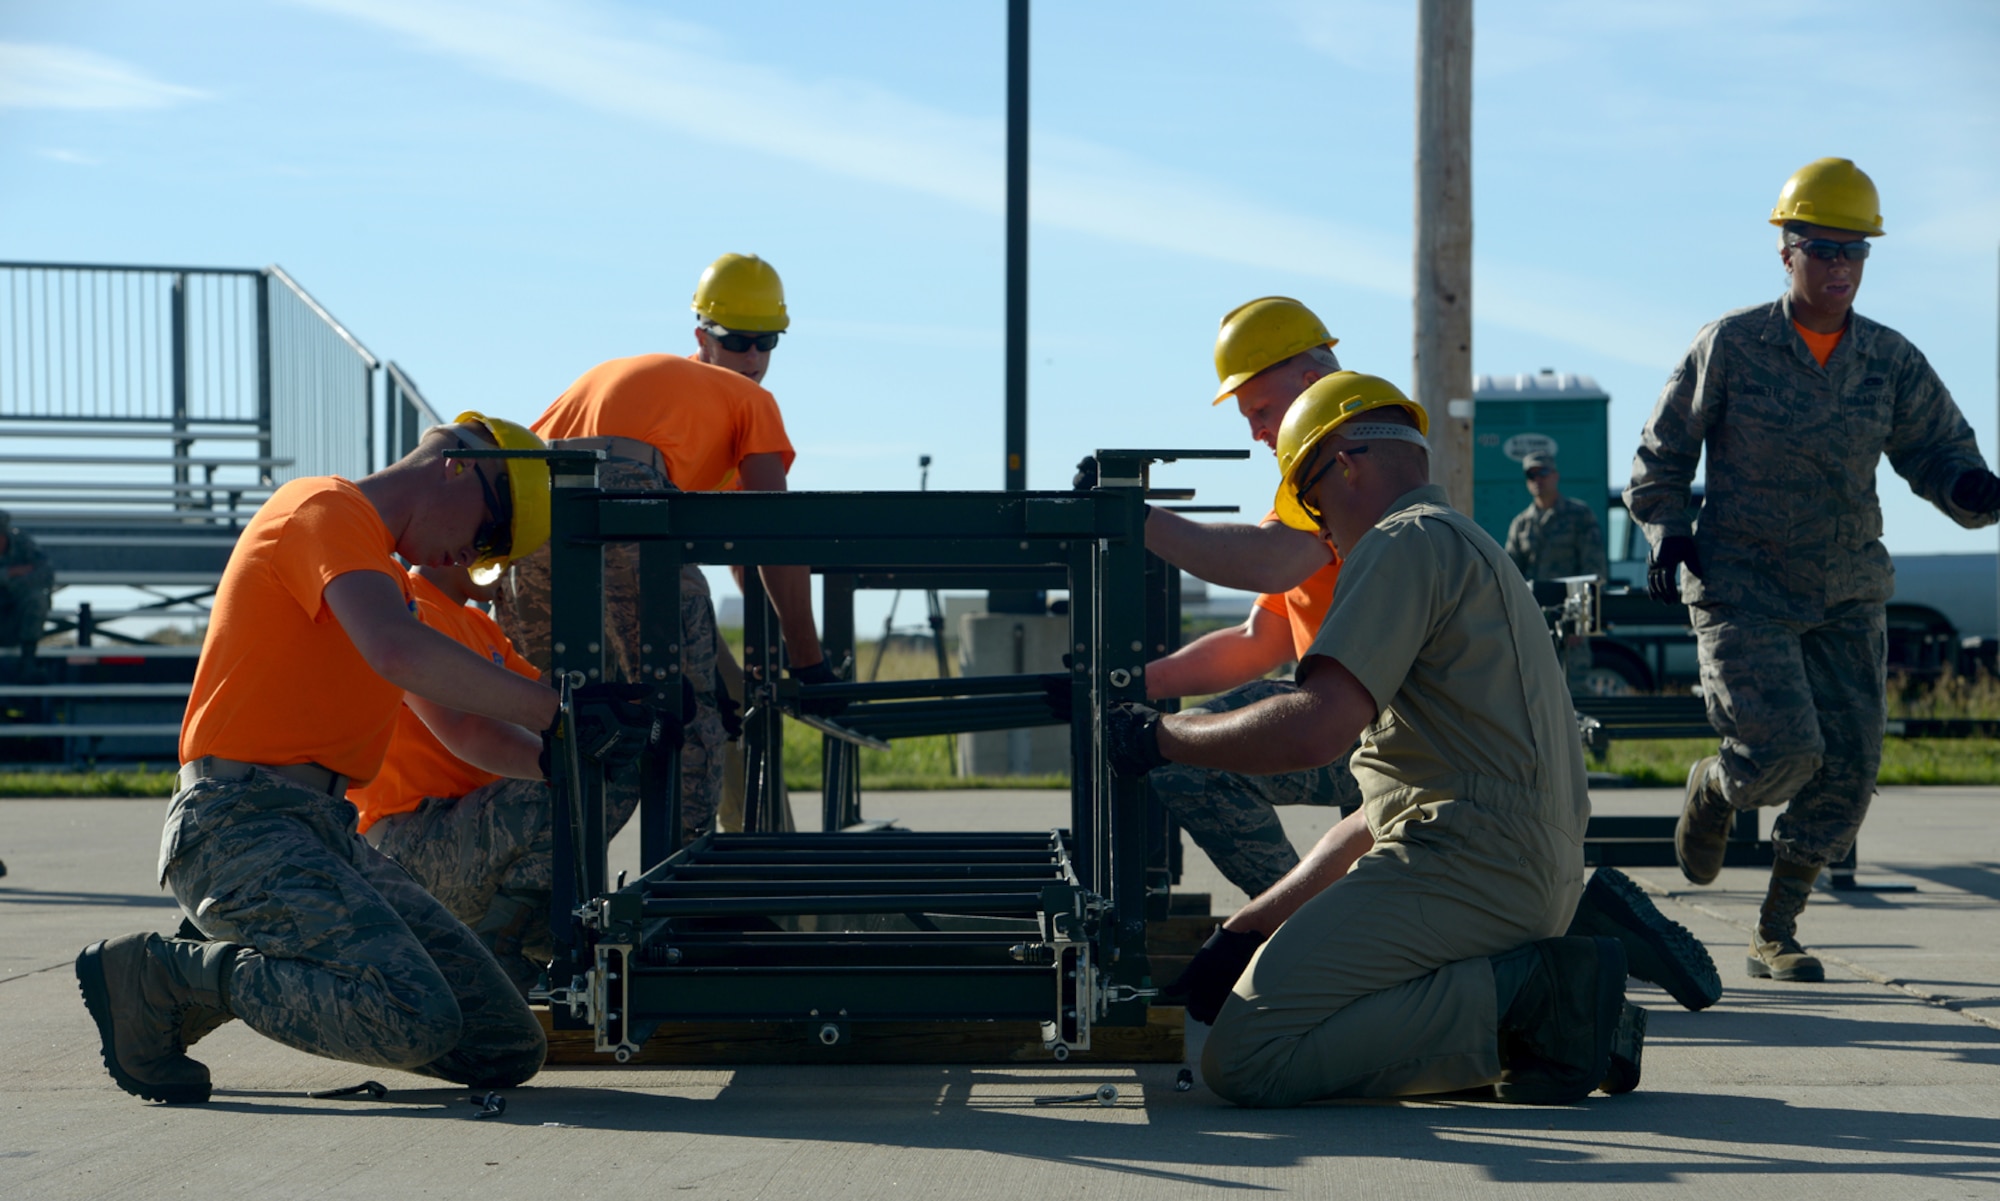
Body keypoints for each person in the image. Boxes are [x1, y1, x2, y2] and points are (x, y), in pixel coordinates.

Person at [1100, 297, 1717, 1010]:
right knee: (1391, 853)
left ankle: (1303, 940)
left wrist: (1136, 520)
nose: (1259, 431)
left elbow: (1270, 565)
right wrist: (1125, 683)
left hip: (1365, 707)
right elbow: (1257, 641)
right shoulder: (1336, 470)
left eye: (1260, 406)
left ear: (1308, 381)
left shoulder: (1347, 471)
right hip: (1368, 711)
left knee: (1188, 770)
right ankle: (1573, 922)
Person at [74, 413, 662, 1105]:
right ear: (459, 468)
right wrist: (556, 710)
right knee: (413, 1016)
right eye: (487, 533)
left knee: (503, 1044)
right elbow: (394, 648)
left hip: (322, 830)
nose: (472, 556)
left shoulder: (383, 580)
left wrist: (569, 755)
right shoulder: (323, 508)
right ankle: (164, 974)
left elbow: (464, 730)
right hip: (236, 824)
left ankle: (213, 965)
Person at [1112, 372, 1645, 1107]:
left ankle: (1542, 1010)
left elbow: (1314, 726)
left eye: (1316, 505)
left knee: (1248, 1054)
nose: (1326, 533)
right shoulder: (1470, 546)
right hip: (1520, 872)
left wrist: (1161, 737)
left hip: (1468, 871)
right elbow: (1378, 813)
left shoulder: (1402, 543)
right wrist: (1245, 929)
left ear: (1348, 463)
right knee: (1314, 1006)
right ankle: (1545, 1007)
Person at [1630, 157, 2000, 983]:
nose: (1840, 267)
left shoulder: (1889, 360)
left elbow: (1939, 451)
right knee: (1783, 753)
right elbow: (1660, 459)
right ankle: (1717, 788)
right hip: (1743, 588)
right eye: (1824, 248)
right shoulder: (1731, 344)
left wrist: (1971, 487)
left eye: (1856, 251)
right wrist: (1666, 527)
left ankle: (1777, 931)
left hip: (1845, 590)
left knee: (1851, 769)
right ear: (1786, 251)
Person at [497, 252, 831, 841]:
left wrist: (753, 655)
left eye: (767, 342)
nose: (753, 359)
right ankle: (696, 892)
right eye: (738, 341)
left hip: (531, 520)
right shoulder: (747, 400)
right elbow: (774, 533)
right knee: (691, 715)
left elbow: (741, 552)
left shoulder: (667, 395)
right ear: (702, 336)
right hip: (626, 508)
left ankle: (536, 895)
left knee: (550, 718)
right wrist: (809, 663)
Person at [349, 563, 563, 996]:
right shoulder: (406, 606)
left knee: (574, 921)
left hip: (470, 834)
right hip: (410, 844)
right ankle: (493, 955)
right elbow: (468, 728)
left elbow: (546, 703)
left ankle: (500, 945)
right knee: (572, 783)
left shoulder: (480, 624)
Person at [1504, 451, 1607, 691]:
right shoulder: (1521, 524)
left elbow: (1594, 569)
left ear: (1556, 476)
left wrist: (1579, 623)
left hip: (1570, 621)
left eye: (1543, 472)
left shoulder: (1579, 516)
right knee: (1535, 692)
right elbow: (1510, 575)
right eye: (1531, 475)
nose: (1537, 479)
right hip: (1533, 622)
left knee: (1574, 692)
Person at [0, 510, 53, 666]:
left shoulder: (23, 544)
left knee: (37, 598)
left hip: (16, 614)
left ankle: (28, 662)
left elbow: (45, 574)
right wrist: (10, 573)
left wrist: (10, 583)